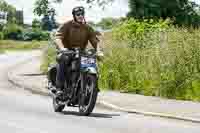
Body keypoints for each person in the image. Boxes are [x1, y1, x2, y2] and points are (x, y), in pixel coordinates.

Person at [54, 6, 103, 94]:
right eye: (78, 14)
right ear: (74, 16)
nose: (80, 16)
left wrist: (99, 51)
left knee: (91, 61)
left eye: (82, 14)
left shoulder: (87, 27)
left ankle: (93, 85)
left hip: (80, 51)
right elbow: (58, 37)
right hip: (67, 51)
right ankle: (59, 87)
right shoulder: (67, 25)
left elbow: (94, 40)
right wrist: (62, 48)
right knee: (63, 59)